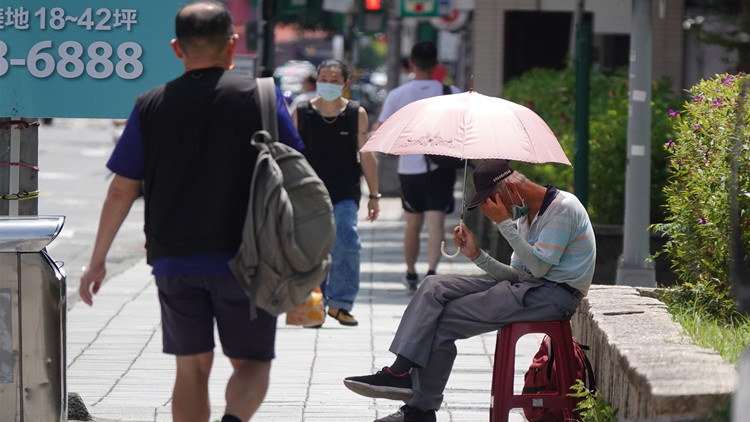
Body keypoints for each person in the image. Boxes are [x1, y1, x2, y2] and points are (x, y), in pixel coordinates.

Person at [79, 2, 304, 422]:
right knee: (252, 362)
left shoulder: (150, 105)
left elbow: (121, 190)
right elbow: (298, 178)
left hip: (174, 259)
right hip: (251, 258)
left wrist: (97, 262)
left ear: (176, 48)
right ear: (232, 43)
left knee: (191, 366)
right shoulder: (260, 99)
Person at [343, 159, 596, 422]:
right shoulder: (525, 219)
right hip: (527, 289)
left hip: (555, 296)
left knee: (441, 321)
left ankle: (419, 409)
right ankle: (399, 372)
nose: (491, 210)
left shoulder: (562, 208)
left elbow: (540, 268)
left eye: (492, 203)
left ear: (511, 189)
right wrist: (477, 255)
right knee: (433, 285)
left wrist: (504, 225)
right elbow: (517, 275)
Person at [291, 59, 380, 327]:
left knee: (346, 239)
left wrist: (374, 195)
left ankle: (340, 304)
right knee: (311, 248)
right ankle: (313, 306)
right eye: (324, 79)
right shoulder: (302, 111)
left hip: (345, 190)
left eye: (334, 80)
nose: (328, 84)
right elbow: (292, 155)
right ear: (317, 81)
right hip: (309, 192)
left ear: (345, 84)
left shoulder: (356, 113)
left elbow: (366, 154)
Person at [371, 41, 460, 294]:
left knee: (412, 223)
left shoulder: (397, 95)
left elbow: (381, 130)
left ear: (411, 63)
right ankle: (431, 273)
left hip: (409, 168)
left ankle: (411, 273)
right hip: (441, 165)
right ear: (436, 64)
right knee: (436, 223)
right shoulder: (452, 92)